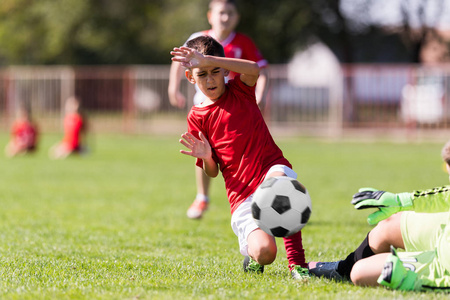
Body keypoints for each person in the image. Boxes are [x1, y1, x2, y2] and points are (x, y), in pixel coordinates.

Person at [171, 35, 308, 279]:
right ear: (190, 77)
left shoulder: (241, 90)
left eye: (215, 71)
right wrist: (207, 157)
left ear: (224, 68)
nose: (210, 79)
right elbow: (212, 172)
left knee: (282, 188)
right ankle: (254, 256)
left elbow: (254, 68)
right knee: (266, 252)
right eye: (202, 74)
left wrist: (207, 59)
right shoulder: (196, 117)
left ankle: (297, 265)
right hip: (241, 193)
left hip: (270, 166)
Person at [168, 0, 269, 220]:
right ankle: (202, 197)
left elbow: (258, 69)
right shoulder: (197, 39)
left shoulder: (243, 42)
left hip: (235, 104)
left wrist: (259, 96)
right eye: (221, 13)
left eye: (230, 13)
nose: (225, 18)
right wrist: (173, 88)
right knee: (204, 151)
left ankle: (256, 196)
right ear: (210, 16)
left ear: (237, 17)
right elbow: (179, 61)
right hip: (205, 106)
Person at [309, 140, 450, 291]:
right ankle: (343, 268)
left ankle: (355, 270)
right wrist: (401, 201)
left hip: (445, 263)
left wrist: (413, 281)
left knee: (360, 272)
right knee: (389, 225)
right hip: (444, 228)